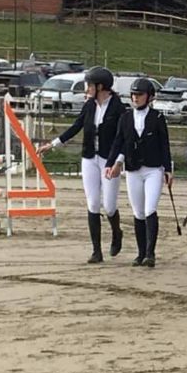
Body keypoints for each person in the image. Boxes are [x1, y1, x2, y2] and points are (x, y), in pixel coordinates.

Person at [36, 66, 125, 264]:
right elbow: (76, 127)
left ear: (100, 86)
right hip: (89, 158)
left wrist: (119, 161)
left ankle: (117, 232)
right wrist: (53, 144)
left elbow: (123, 137)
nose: (87, 89)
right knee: (93, 203)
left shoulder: (119, 108)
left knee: (109, 206)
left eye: (90, 85)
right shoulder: (89, 106)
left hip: (109, 159)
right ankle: (96, 251)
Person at [105, 78, 173, 268]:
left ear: (149, 97)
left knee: (150, 208)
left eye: (140, 94)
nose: (136, 98)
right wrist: (111, 163)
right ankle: (140, 252)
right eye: (134, 94)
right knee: (138, 212)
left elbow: (164, 145)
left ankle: (150, 253)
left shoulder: (157, 117)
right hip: (133, 169)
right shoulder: (125, 118)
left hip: (153, 169)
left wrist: (168, 169)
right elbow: (118, 142)